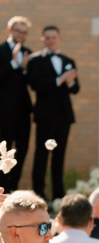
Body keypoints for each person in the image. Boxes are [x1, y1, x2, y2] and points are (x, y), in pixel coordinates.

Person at [27, 25, 79, 200]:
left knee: (60, 155)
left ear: (59, 38)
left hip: (64, 115)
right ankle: (38, 193)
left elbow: (75, 88)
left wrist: (70, 81)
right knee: (41, 155)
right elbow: (36, 84)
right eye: (47, 37)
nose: (50, 40)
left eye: (53, 37)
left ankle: (58, 195)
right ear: (43, 40)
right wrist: (60, 79)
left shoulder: (68, 60)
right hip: (45, 115)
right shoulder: (35, 60)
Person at [0, 16, 33, 191]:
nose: (21, 35)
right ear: (9, 30)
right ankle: (2, 187)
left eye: (24, 32)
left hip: (23, 111)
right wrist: (13, 63)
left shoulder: (28, 52)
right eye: (18, 31)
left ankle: (13, 187)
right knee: (3, 150)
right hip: (4, 111)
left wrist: (26, 69)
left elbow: (32, 82)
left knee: (23, 149)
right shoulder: (1, 50)